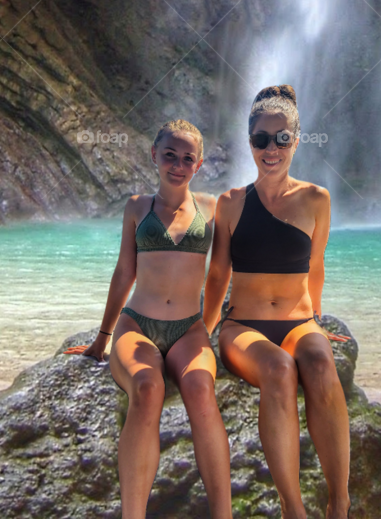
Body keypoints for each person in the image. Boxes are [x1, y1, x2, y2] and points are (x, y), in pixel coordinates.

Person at [65, 120, 231, 519]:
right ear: (154, 155)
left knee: (200, 389)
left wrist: (205, 329)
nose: (178, 164)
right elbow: (125, 272)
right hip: (137, 323)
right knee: (146, 387)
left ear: (200, 163)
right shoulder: (137, 207)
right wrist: (102, 338)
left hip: (188, 328)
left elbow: (220, 273)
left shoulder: (213, 208)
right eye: (170, 155)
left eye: (187, 158)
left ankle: (223, 515)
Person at [203, 85, 350, 519]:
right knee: (279, 370)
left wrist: (318, 321)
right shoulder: (229, 204)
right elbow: (217, 275)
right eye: (261, 139)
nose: (271, 148)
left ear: (296, 140)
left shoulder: (316, 199)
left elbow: (316, 267)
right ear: (250, 143)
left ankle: (339, 501)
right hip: (242, 327)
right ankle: (293, 508)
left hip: (299, 321)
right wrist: (202, 331)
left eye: (281, 138)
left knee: (321, 363)